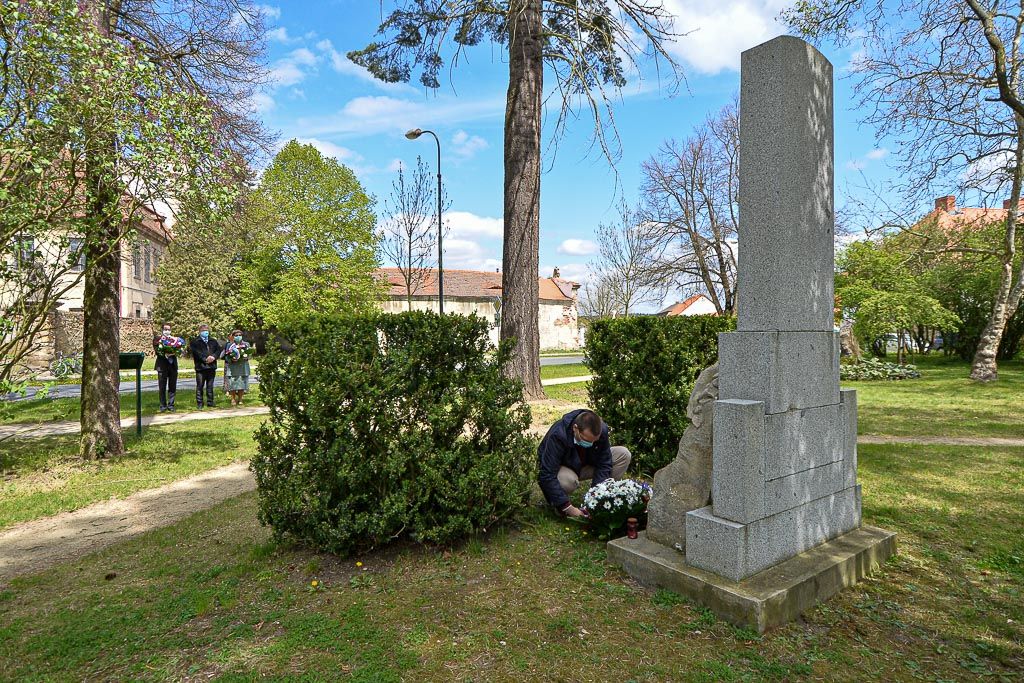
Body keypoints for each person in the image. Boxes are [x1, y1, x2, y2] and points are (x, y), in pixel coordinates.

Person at [537, 409, 632, 517]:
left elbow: (604, 463)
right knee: (567, 482)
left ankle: (606, 497)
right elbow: (546, 474)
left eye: (594, 441)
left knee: (623, 454)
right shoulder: (558, 435)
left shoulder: (601, 430)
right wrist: (568, 507)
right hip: (564, 467)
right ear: (575, 428)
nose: (590, 444)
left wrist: (596, 495)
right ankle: (559, 506)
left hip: (586, 463)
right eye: (586, 440)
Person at [189, 324, 221, 409]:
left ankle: (210, 402)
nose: (205, 332)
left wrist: (213, 357)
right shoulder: (195, 342)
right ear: (199, 332)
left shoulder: (213, 341)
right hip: (201, 367)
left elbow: (218, 350)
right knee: (200, 385)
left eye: (206, 330)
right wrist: (205, 359)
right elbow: (196, 352)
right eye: (203, 331)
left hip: (212, 366)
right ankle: (200, 403)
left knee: (210, 385)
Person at [152, 322, 180, 412]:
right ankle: (163, 405)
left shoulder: (174, 340)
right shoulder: (158, 339)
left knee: (172, 386)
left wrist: (174, 352)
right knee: (162, 387)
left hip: (172, 366)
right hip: (162, 365)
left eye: (169, 329)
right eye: (165, 329)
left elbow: (179, 349)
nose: (167, 331)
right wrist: (165, 353)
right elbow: (157, 350)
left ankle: (171, 405)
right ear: (162, 329)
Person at [221, 329, 251, 407]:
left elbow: (249, 354)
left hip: (243, 367)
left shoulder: (246, 344)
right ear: (233, 336)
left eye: (240, 335)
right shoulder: (229, 345)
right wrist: (231, 359)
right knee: (233, 383)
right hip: (232, 367)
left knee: (242, 383)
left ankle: (240, 399)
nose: (238, 337)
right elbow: (225, 356)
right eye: (236, 335)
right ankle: (233, 398)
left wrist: (246, 357)